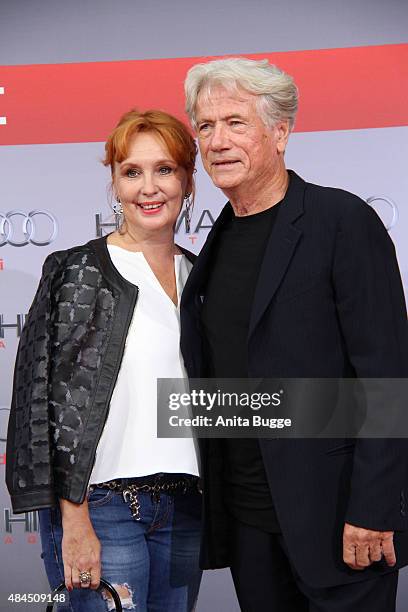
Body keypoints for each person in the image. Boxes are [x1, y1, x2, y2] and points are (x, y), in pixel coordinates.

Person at [180, 57, 408, 611]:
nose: (217, 141)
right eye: (205, 127)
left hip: (340, 523)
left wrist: (375, 510)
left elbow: (388, 375)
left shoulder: (341, 221)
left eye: (235, 122)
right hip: (250, 525)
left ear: (280, 132)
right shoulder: (215, 245)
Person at [6, 109, 202, 612]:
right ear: (114, 183)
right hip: (101, 509)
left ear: (187, 179)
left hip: (186, 509)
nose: (148, 187)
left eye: (164, 169)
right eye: (131, 172)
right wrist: (73, 521)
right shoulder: (74, 271)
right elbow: (35, 402)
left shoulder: (204, 276)